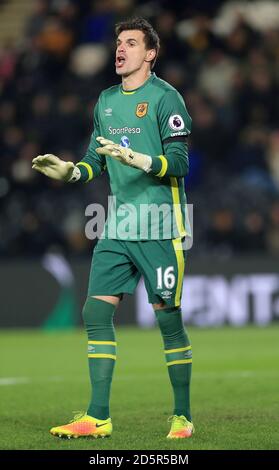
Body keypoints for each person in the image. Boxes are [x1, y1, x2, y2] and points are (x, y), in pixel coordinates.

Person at [32, 17, 194, 440]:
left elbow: (179, 163)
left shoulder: (166, 99)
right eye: (119, 43)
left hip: (159, 225)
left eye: (132, 43)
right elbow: (95, 160)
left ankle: (182, 416)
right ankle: (97, 416)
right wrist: (70, 172)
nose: (120, 49)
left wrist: (139, 159)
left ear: (151, 53)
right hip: (117, 226)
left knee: (168, 319)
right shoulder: (104, 101)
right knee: (95, 312)